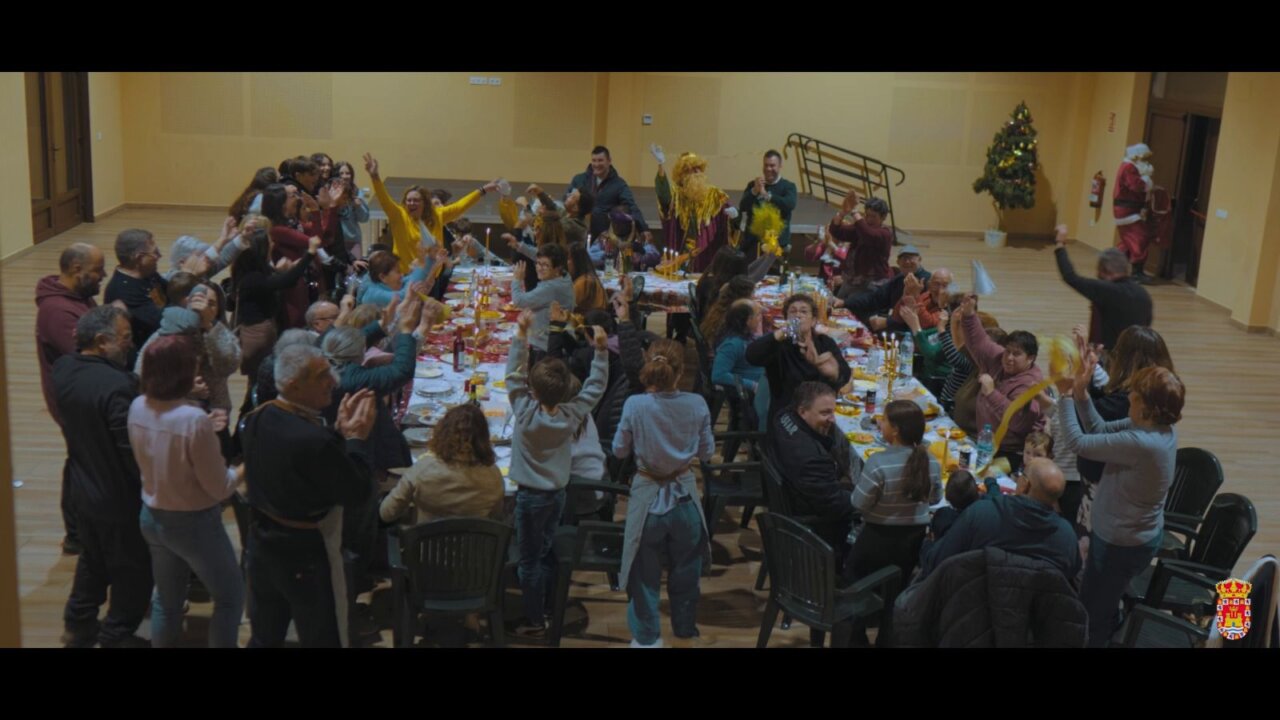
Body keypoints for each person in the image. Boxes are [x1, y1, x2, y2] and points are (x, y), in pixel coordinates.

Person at [239, 345, 378, 648]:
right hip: (305, 554)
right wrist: (356, 440)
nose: (333, 381)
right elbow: (357, 492)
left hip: (262, 544)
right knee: (324, 637)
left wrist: (337, 435)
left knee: (264, 636)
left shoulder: (257, 416)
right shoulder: (314, 440)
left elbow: (302, 469)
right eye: (322, 376)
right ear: (294, 386)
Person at [1057, 351, 1183, 647]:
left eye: (1134, 395)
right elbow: (1098, 430)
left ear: (1147, 407)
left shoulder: (1143, 443)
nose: (1129, 398)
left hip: (1121, 543)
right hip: (1126, 535)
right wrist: (1081, 394)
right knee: (1102, 601)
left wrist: (1065, 397)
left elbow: (1078, 442)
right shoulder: (1154, 427)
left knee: (1093, 612)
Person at [128, 335, 244, 648]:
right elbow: (220, 487)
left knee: (167, 601)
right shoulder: (192, 420)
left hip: (151, 516)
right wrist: (246, 466)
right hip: (192, 522)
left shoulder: (137, 406)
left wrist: (203, 423)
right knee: (231, 597)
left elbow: (165, 437)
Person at [52, 305, 152, 648]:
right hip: (116, 498)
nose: (130, 344)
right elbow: (130, 451)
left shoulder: (63, 368)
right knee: (132, 569)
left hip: (82, 489)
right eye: (124, 338)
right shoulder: (117, 386)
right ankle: (117, 634)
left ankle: (78, 623)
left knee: (93, 560)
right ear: (100, 341)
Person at [505, 310, 609, 639]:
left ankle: (535, 619)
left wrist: (521, 337)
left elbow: (512, 375)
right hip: (557, 496)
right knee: (546, 551)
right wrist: (601, 351)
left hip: (529, 498)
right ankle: (549, 606)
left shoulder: (524, 412)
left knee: (529, 560)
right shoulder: (571, 414)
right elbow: (595, 387)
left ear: (533, 391)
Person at [612, 338, 715, 648]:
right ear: (681, 371)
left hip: (647, 499)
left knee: (644, 575)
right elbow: (707, 453)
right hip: (685, 498)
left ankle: (647, 638)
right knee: (687, 571)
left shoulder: (635, 405)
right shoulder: (697, 404)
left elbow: (618, 451)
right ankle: (684, 629)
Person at [847, 400, 942, 644]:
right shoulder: (931, 461)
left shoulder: (878, 462)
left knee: (853, 580)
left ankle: (856, 638)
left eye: (884, 420)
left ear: (896, 430)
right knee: (896, 592)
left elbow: (858, 503)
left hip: (876, 539)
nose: (880, 423)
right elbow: (935, 499)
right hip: (912, 541)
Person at [36, 242, 106, 554]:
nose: (103, 275)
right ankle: (76, 533)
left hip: (83, 394)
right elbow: (87, 354)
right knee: (81, 461)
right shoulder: (58, 312)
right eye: (98, 270)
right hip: (72, 402)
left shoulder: (78, 296)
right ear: (77, 270)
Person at [919, 459, 1080, 583]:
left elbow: (936, 562)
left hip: (973, 604)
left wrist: (927, 542)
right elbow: (1069, 576)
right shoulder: (1067, 537)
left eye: (1021, 475)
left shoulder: (981, 513)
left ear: (1025, 485)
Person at [364, 152, 499, 274]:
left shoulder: (437, 215)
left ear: (424, 203)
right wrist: (375, 177)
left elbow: (460, 206)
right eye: (408, 200)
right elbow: (384, 199)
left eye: (416, 200)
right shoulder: (399, 215)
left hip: (432, 275)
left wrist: (483, 190)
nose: (411, 203)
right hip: (407, 277)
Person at [956, 294, 1045, 472]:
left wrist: (991, 393)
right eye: (1007, 351)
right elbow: (978, 341)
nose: (1009, 358)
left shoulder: (1030, 384)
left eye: (1016, 354)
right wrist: (969, 314)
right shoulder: (999, 358)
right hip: (985, 443)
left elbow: (1017, 422)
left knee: (981, 476)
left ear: (1030, 358)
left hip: (1011, 453)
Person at [768, 382, 856, 555]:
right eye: (825, 413)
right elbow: (834, 505)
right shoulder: (813, 459)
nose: (832, 419)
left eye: (833, 411)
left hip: (793, 493)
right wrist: (866, 499)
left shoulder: (783, 416)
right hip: (811, 523)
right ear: (802, 411)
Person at [379, 404, 504, 524]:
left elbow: (386, 514)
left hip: (426, 538)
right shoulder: (494, 476)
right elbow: (496, 517)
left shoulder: (422, 469)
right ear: (484, 438)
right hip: (474, 538)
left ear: (442, 433)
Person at [746, 294, 851, 426]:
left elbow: (845, 375)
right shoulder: (779, 346)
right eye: (793, 312)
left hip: (820, 417)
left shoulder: (825, 343)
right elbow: (751, 356)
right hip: (787, 420)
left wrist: (834, 374)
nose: (798, 315)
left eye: (804, 311)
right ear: (786, 319)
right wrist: (782, 332)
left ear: (813, 320)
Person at [1053, 225, 1152, 350]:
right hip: (1137, 353)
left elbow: (1070, 277)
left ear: (1105, 270)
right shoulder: (1143, 293)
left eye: (1098, 271)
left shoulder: (1107, 290)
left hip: (1110, 354)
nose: (1097, 275)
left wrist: (1060, 243)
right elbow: (1147, 324)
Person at [653, 148, 738, 273]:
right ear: (682, 175)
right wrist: (661, 166)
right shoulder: (677, 195)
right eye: (690, 169)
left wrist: (735, 218)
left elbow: (728, 226)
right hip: (682, 254)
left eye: (697, 168)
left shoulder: (715, 195)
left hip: (706, 255)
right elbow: (664, 198)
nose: (696, 172)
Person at [104, 228, 168, 361]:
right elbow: (162, 321)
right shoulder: (123, 291)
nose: (159, 256)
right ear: (139, 258)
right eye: (155, 252)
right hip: (146, 355)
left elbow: (171, 291)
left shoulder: (147, 273)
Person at [566, 145, 650, 239]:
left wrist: (643, 228)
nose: (596, 164)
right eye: (594, 160)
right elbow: (565, 199)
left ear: (609, 161)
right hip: (577, 234)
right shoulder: (579, 180)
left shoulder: (619, 185)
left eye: (600, 160)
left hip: (604, 237)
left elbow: (631, 206)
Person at [512, 244, 576, 358]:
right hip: (560, 340)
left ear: (557, 268)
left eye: (545, 265)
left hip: (544, 347)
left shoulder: (550, 288)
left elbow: (519, 301)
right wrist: (520, 246)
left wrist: (517, 279)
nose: (539, 268)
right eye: (538, 263)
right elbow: (538, 255)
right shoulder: (564, 275)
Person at [828, 193, 895, 301]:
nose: (869, 219)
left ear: (883, 217)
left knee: (854, 308)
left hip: (872, 284)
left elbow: (868, 235)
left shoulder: (885, 233)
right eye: (867, 215)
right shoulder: (861, 228)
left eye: (873, 216)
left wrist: (854, 211)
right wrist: (843, 213)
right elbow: (837, 231)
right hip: (852, 280)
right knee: (834, 304)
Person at [736, 150, 798, 261]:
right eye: (766, 165)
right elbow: (743, 207)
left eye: (772, 165)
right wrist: (754, 191)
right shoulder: (753, 185)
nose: (768, 169)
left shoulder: (788, 186)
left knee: (775, 273)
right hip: (752, 245)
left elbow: (790, 204)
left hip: (777, 246)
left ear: (780, 166)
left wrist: (767, 195)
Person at [1113, 143, 1155, 281]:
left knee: (1128, 240)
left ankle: (1113, 265)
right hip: (1127, 210)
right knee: (1140, 237)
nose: (1146, 161)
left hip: (1128, 209)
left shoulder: (1128, 166)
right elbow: (1136, 186)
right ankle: (1137, 273)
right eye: (1145, 157)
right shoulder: (1129, 167)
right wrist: (1146, 181)